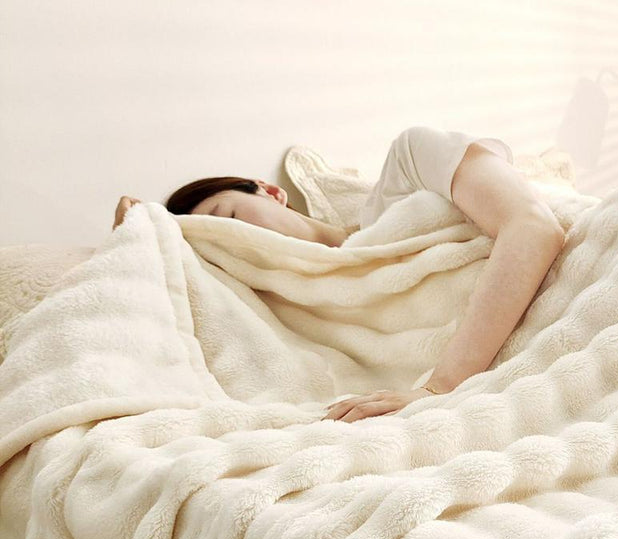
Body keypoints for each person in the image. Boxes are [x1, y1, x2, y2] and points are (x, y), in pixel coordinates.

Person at [112, 127, 566, 422]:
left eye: (228, 217)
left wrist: (439, 387)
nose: (239, 238)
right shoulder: (292, 315)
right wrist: (138, 235)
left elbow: (534, 227)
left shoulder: (406, 168)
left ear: (270, 191)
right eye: (221, 245)